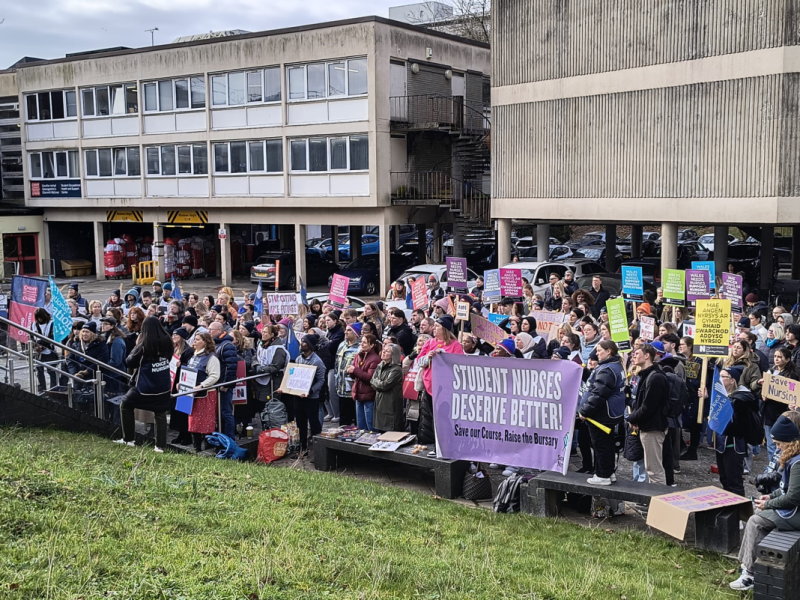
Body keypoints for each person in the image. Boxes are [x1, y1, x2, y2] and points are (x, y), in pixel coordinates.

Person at [729, 412, 800, 591]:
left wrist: (768, 504)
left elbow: (793, 497)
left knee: (756, 520)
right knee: (758, 513)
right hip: (795, 509)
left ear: (788, 442)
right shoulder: (793, 458)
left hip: (797, 512)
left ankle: (749, 574)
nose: (776, 447)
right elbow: (785, 488)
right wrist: (770, 497)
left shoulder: (798, 463)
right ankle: (747, 566)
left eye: (778, 443)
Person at [114, 316, 174, 452]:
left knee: (125, 405)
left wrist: (137, 345)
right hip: (163, 384)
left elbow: (130, 362)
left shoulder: (145, 344)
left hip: (145, 385)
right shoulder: (168, 341)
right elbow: (169, 358)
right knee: (160, 413)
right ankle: (160, 446)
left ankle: (128, 439)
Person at [699, 365, 757, 496]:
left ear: (732, 380)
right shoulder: (720, 396)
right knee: (724, 479)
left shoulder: (742, 399)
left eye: (723, 377)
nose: (720, 379)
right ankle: (729, 510)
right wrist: (707, 398)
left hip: (733, 445)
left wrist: (725, 423)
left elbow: (742, 426)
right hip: (720, 444)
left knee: (734, 482)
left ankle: (738, 513)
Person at [579, 340, 626, 485]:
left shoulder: (607, 369)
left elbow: (599, 394)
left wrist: (585, 411)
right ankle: (608, 472)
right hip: (609, 412)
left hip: (602, 413)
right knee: (607, 443)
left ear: (609, 351)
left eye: (599, 351)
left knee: (600, 444)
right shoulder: (615, 366)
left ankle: (603, 475)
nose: (597, 354)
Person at [417, 316, 464, 449]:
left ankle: (446, 447)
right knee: (429, 419)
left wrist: (444, 356)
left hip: (446, 390)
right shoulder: (430, 342)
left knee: (444, 420)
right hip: (429, 387)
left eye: (437, 326)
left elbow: (459, 366)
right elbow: (420, 362)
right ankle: (431, 446)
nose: (434, 328)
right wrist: (428, 357)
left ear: (445, 329)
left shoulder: (455, 345)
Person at [627, 343, 669, 485]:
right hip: (648, 425)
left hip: (653, 428)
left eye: (637, 353)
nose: (634, 355)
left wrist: (632, 417)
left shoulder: (655, 377)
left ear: (647, 356)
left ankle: (657, 504)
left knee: (654, 470)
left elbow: (648, 407)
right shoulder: (647, 375)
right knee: (649, 466)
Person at [278, 333, 326, 455]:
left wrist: (311, 391)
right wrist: (285, 387)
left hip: (311, 398)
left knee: (314, 423)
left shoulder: (317, 361)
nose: (302, 344)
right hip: (298, 397)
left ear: (310, 345)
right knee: (300, 423)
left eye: (304, 342)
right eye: (302, 342)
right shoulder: (299, 359)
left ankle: (319, 449)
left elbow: (321, 380)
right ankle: (302, 448)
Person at [758, 347, 799, 464]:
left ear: (787, 359)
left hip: (782, 412)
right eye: (775, 356)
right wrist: (763, 394)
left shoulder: (792, 375)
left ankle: (779, 468)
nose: (776, 359)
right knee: (771, 444)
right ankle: (772, 468)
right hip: (768, 411)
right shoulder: (771, 371)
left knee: (780, 444)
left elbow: (792, 394)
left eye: (779, 357)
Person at [185, 332, 221, 452]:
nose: (194, 342)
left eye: (197, 340)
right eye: (194, 339)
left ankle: (208, 447)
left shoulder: (211, 358)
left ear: (205, 342)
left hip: (205, 394)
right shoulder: (193, 356)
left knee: (205, 422)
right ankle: (196, 448)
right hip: (192, 394)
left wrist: (201, 386)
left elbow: (215, 376)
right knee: (193, 421)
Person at [66, 321, 110, 407]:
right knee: (79, 404)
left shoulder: (100, 344)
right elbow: (70, 360)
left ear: (93, 333)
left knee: (95, 405)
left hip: (94, 379)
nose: (84, 334)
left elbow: (101, 361)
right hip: (79, 379)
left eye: (87, 332)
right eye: (83, 331)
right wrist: (74, 373)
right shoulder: (76, 344)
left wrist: (86, 372)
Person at [207, 321, 238, 439]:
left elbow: (231, 366)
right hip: (217, 383)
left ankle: (229, 438)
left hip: (223, 385)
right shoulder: (216, 344)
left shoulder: (227, 345)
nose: (209, 331)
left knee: (226, 412)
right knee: (219, 413)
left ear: (220, 331)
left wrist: (226, 384)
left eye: (211, 329)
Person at [252, 323, 289, 414]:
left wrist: (262, 369)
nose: (263, 334)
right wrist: (256, 365)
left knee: (267, 403)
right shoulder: (261, 344)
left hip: (273, 380)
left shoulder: (278, 349)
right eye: (262, 332)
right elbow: (255, 357)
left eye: (266, 332)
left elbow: (276, 366)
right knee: (259, 402)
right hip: (260, 378)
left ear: (272, 335)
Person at [348, 333, 381, 431]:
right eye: (361, 342)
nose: (362, 344)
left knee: (370, 424)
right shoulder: (358, 356)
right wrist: (351, 371)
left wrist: (355, 370)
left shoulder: (375, 359)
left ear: (372, 345)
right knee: (360, 425)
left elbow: (369, 378)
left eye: (365, 343)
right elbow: (356, 376)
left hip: (368, 395)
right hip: (358, 394)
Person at [371, 342, 405, 432]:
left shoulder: (396, 369)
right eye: (383, 350)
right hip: (380, 405)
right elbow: (372, 381)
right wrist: (379, 383)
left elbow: (385, 386)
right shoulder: (380, 365)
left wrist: (377, 382)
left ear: (393, 355)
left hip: (390, 408)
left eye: (387, 351)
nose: (383, 352)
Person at [169, 327, 193, 445]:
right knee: (176, 410)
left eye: (176, 335)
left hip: (183, 383)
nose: (173, 337)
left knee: (183, 409)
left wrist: (181, 364)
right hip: (174, 383)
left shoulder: (188, 351)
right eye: (172, 335)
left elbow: (190, 366)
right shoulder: (174, 348)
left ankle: (187, 435)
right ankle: (180, 433)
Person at [334, 322, 361, 426]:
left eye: (349, 330)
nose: (345, 332)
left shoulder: (359, 347)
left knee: (355, 417)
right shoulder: (342, 345)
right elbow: (336, 363)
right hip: (341, 387)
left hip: (353, 387)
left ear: (355, 334)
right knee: (344, 418)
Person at [99, 316, 128, 394]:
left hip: (115, 375)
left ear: (112, 326)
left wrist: (101, 366)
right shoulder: (106, 337)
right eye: (102, 323)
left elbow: (115, 361)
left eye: (105, 324)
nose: (102, 325)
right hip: (108, 374)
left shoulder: (117, 340)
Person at [32, 307, 58, 393]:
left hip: (50, 351)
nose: (40, 319)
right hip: (38, 353)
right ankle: (41, 390)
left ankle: (53, 389)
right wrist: (35, 346)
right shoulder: (33, 325)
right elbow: (31, 337)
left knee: (51, 371)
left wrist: (41, 346)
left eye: (41, 317)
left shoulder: (52, 324)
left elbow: (51, 337)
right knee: (39, 372)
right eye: (38, 317)